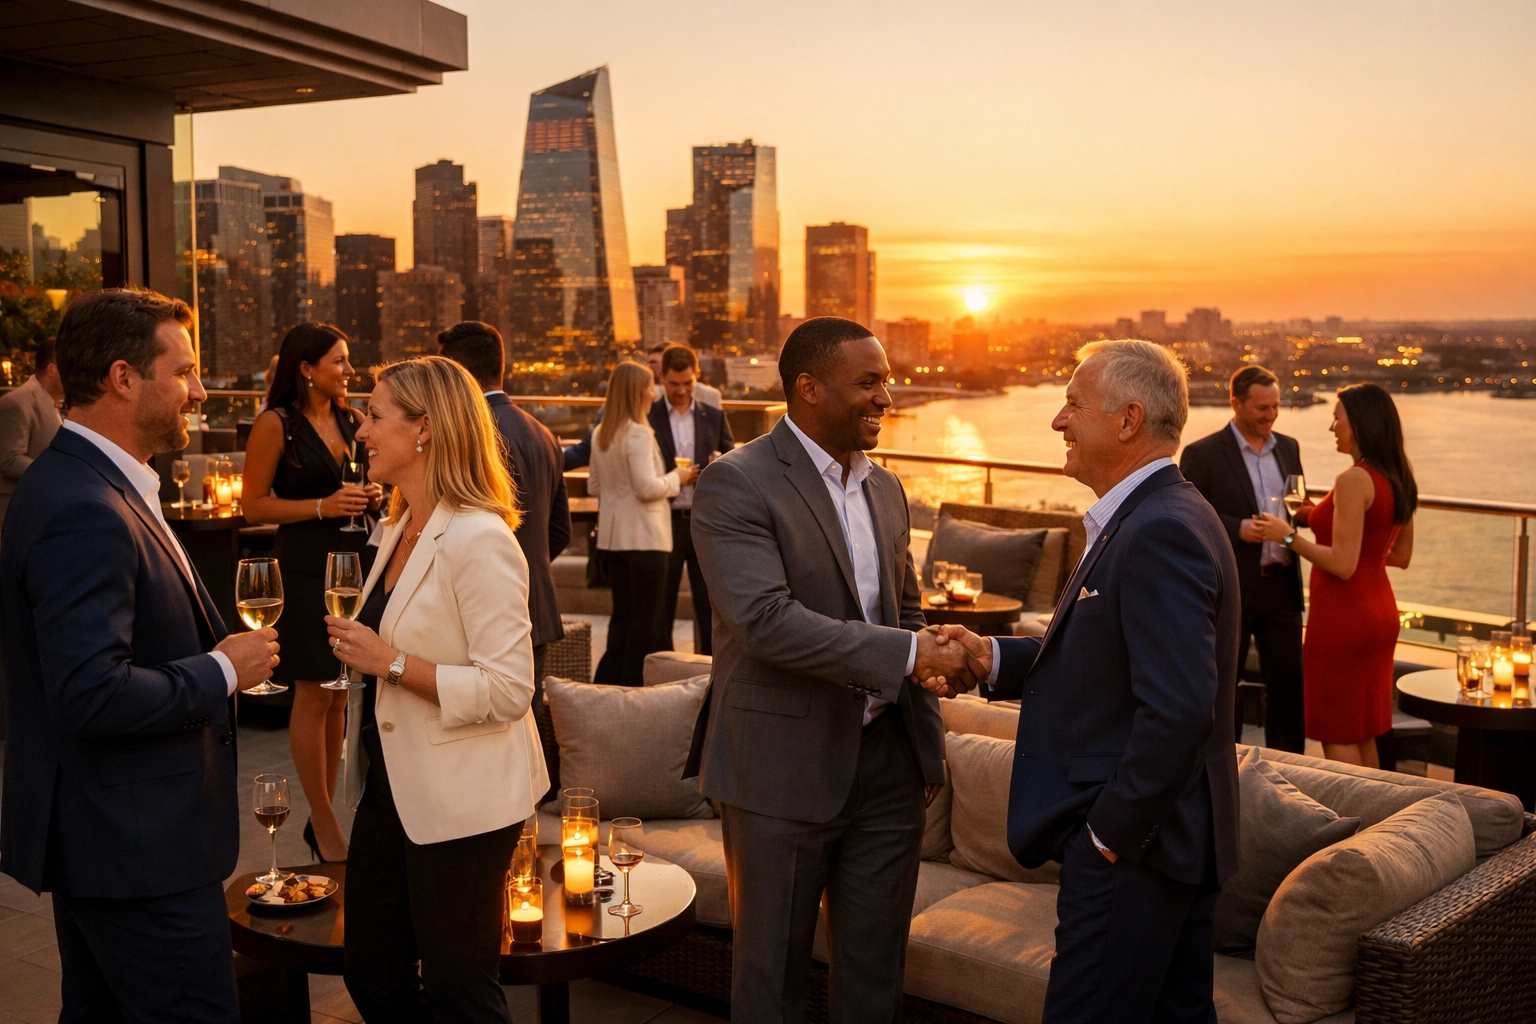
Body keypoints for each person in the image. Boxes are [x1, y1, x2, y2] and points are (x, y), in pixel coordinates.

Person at [926, 340, 1241, 1024]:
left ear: (1127, 420)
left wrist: (1107, 837)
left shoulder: (1160, 529)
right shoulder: (1149, 515)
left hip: (1139, 854)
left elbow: (1181, 711)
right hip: (1165, 846)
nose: (1057, 421)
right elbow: (1103, 661)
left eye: (1072, 403)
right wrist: (992, 659)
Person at [685, 316, 977, 1022]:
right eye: (869, 382)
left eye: (888, 380)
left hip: (888, 769)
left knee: (875, 980)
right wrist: (912, 657)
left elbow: (905, 612)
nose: (887, 398)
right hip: (778, 772)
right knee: (771, 985)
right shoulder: (736, 483)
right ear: (809, 389)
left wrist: (926, 744)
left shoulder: (886, 489)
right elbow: (765, 623)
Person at [0, 287, 280, 1023]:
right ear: (124, 378)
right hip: (136, 851)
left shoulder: (91, 482)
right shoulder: (83, 508)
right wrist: (223, 668)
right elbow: (90, 691)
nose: (199, 389)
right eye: (183, 371)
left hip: (115, 840)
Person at [325, 356, 548, 1023]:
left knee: (460, 989)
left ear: (424, 428)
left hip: (466, 798)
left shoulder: (479, 539)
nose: (361, 431)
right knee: (371, 972)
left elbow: (510, 690)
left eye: (374, 415)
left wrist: (391, 663)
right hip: (391, 787)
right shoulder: (394, 530)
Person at [242, 323, 382, 863]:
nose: (349, 371)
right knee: (314, 690)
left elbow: (362, 487)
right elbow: (254, 505)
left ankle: (325, 816)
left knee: (341, 691)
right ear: (306, 367)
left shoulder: (351, 420)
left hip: (351, 566)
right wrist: (324, 506)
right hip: (301, 568)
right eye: (339, 361)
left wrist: (369, 495)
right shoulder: (275, 425)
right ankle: (323, 824)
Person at [1256, 382, 1416, 768]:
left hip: (1343, 619)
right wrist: (1315, 515)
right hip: (1379, 613)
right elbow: (1400, 556)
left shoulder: (1352, 480)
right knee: (1362, 728)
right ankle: (1379, 817)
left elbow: (1342, 564)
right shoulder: (1398, 476)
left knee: (1336, 729)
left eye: (1336, 417)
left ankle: (1354, 822)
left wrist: (1288, 536)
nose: (1332, 427)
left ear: (1359, 423)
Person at [1180, 365, 1309, 752]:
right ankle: (1223, 765)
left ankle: (1289, 768)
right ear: (1235, 403)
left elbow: (1297, 504)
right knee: (1223, 682)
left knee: (1288, 686)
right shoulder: (1202, 453)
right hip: (1232, 586)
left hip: (1282, 585)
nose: (1270, 416)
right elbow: (1187, 515)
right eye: (1261, 408)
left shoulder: (1289, 447)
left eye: (1275, 407)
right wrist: (1237, 527)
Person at [438, 321, 571, 683]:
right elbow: (559, 530)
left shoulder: (468, 435)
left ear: (458, 374)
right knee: (527, 723)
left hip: (481, 611)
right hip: (538, 606)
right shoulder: (544, 433)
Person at [588, 361, 689, 685]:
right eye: (649, 386)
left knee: (622, 621)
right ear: (637, 392)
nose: (653, 392)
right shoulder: (639, 434)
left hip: (613, 540)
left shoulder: (601, 432)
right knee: (645, 625)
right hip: (646, 541)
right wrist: (679, 477)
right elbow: (647, 489)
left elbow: (594, 486)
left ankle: (605, 687)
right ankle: (630, 692)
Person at [649, 343, 734, 654]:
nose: (682, 391)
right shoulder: (648, 415)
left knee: (709, 605)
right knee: (662, 607)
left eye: (688, 384)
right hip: (664, 520)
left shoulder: (712, 414)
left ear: (696, 377)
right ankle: (661, 670)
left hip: (703, 521)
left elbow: (731, 457)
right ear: (662, 378)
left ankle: (710, 675)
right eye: (674, 384)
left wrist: (716, 464)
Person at [0, 339, 64, 523]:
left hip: (40, 513)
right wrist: (56, 475)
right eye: (68, 368)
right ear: (52, 369)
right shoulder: (17, 402)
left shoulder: (55, 403)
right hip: (16, 515)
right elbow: (9, 459)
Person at [647, 341, 721, 407]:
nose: (651, 367)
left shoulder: (709, 395)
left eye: (655, 363)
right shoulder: (648, 395)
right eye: (651, 363)